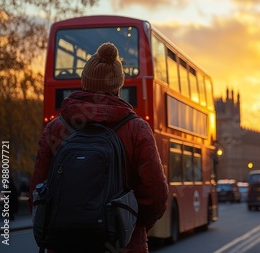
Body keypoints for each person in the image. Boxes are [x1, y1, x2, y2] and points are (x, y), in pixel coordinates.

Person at [29, 42, 169, 253]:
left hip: (64, 245)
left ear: (84, 82)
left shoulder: (56, 128)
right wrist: (131, 225)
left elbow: (37, 191)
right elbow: (156, 194)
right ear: (118, 86)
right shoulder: (137, 129)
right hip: (121, 245)